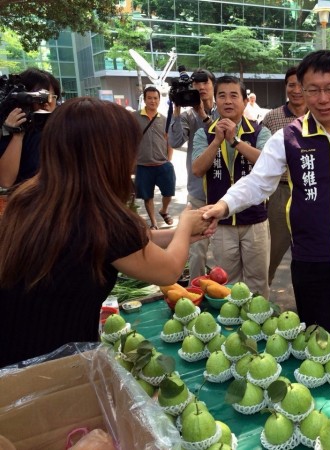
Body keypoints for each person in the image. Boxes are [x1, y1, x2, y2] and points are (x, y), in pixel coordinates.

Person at [202, 50, 330, 366]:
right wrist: (223, 205)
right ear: (301, 91)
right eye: (313, 90)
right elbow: (258, 182)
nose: (323, 98)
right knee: (316, 346)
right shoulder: (288, 137)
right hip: (312, 259)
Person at [0, 97, 210, 368]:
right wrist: (184, 225)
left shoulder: (32, 198)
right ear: (108, 154)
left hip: (12, 357)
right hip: (55, 364)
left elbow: (121, 246)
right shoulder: (99, 216)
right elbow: (169, 271)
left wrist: (176, 235)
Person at [192, 76, 272, 297]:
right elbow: (197, 169)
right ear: (215, 101)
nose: (228, 101)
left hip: (255, 219)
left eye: (234, 95)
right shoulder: (204, 134)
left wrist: (235, 140)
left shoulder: (259, 132)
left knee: (257, 282)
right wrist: (217, 140)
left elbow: (267, 163)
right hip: (221, 223)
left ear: (245, 101)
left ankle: (259, 324)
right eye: (222, 95)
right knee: (226, 283)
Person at [168, 68, 219, 280]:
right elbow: (175, 141)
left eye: (205, 84)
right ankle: (196, 288)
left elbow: (220, 134)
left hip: (223, 190)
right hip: (198, 191)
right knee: (197, 249)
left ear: (213, 85)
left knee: (226, 248)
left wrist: (203, 115)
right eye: (196, 85)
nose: (201, 88)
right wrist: (176, 110)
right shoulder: (188, 115)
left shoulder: (223, 111)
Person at [261, 66, 308, 285]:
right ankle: (262, 293)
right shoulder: (272, 118)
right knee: (273, 249)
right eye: (292, 85)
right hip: (280, 191)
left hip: (312, 189)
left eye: (301, 84)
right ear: (285, 87)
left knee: (313, 249)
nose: (297, 90)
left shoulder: (319, 114)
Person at [0, 68, 61, 188]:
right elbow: (5, 181)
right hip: (27, 202)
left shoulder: (64, 128)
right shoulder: (11, 131)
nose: (46, 102)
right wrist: (17, 134)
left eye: (51, 97)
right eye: (39, 96)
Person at [133, 86, 176, 230]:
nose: (153, 101)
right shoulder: (134, 117)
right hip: (143, 165)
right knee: (147, 196)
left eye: (155, 98)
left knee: (169, 192)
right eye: (149, 98)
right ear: (144, 100)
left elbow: (169, 141)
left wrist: (168, 159)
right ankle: (154, 223)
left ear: (159, 100)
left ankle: (164, 210)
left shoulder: (164, 120)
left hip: (162, 164)